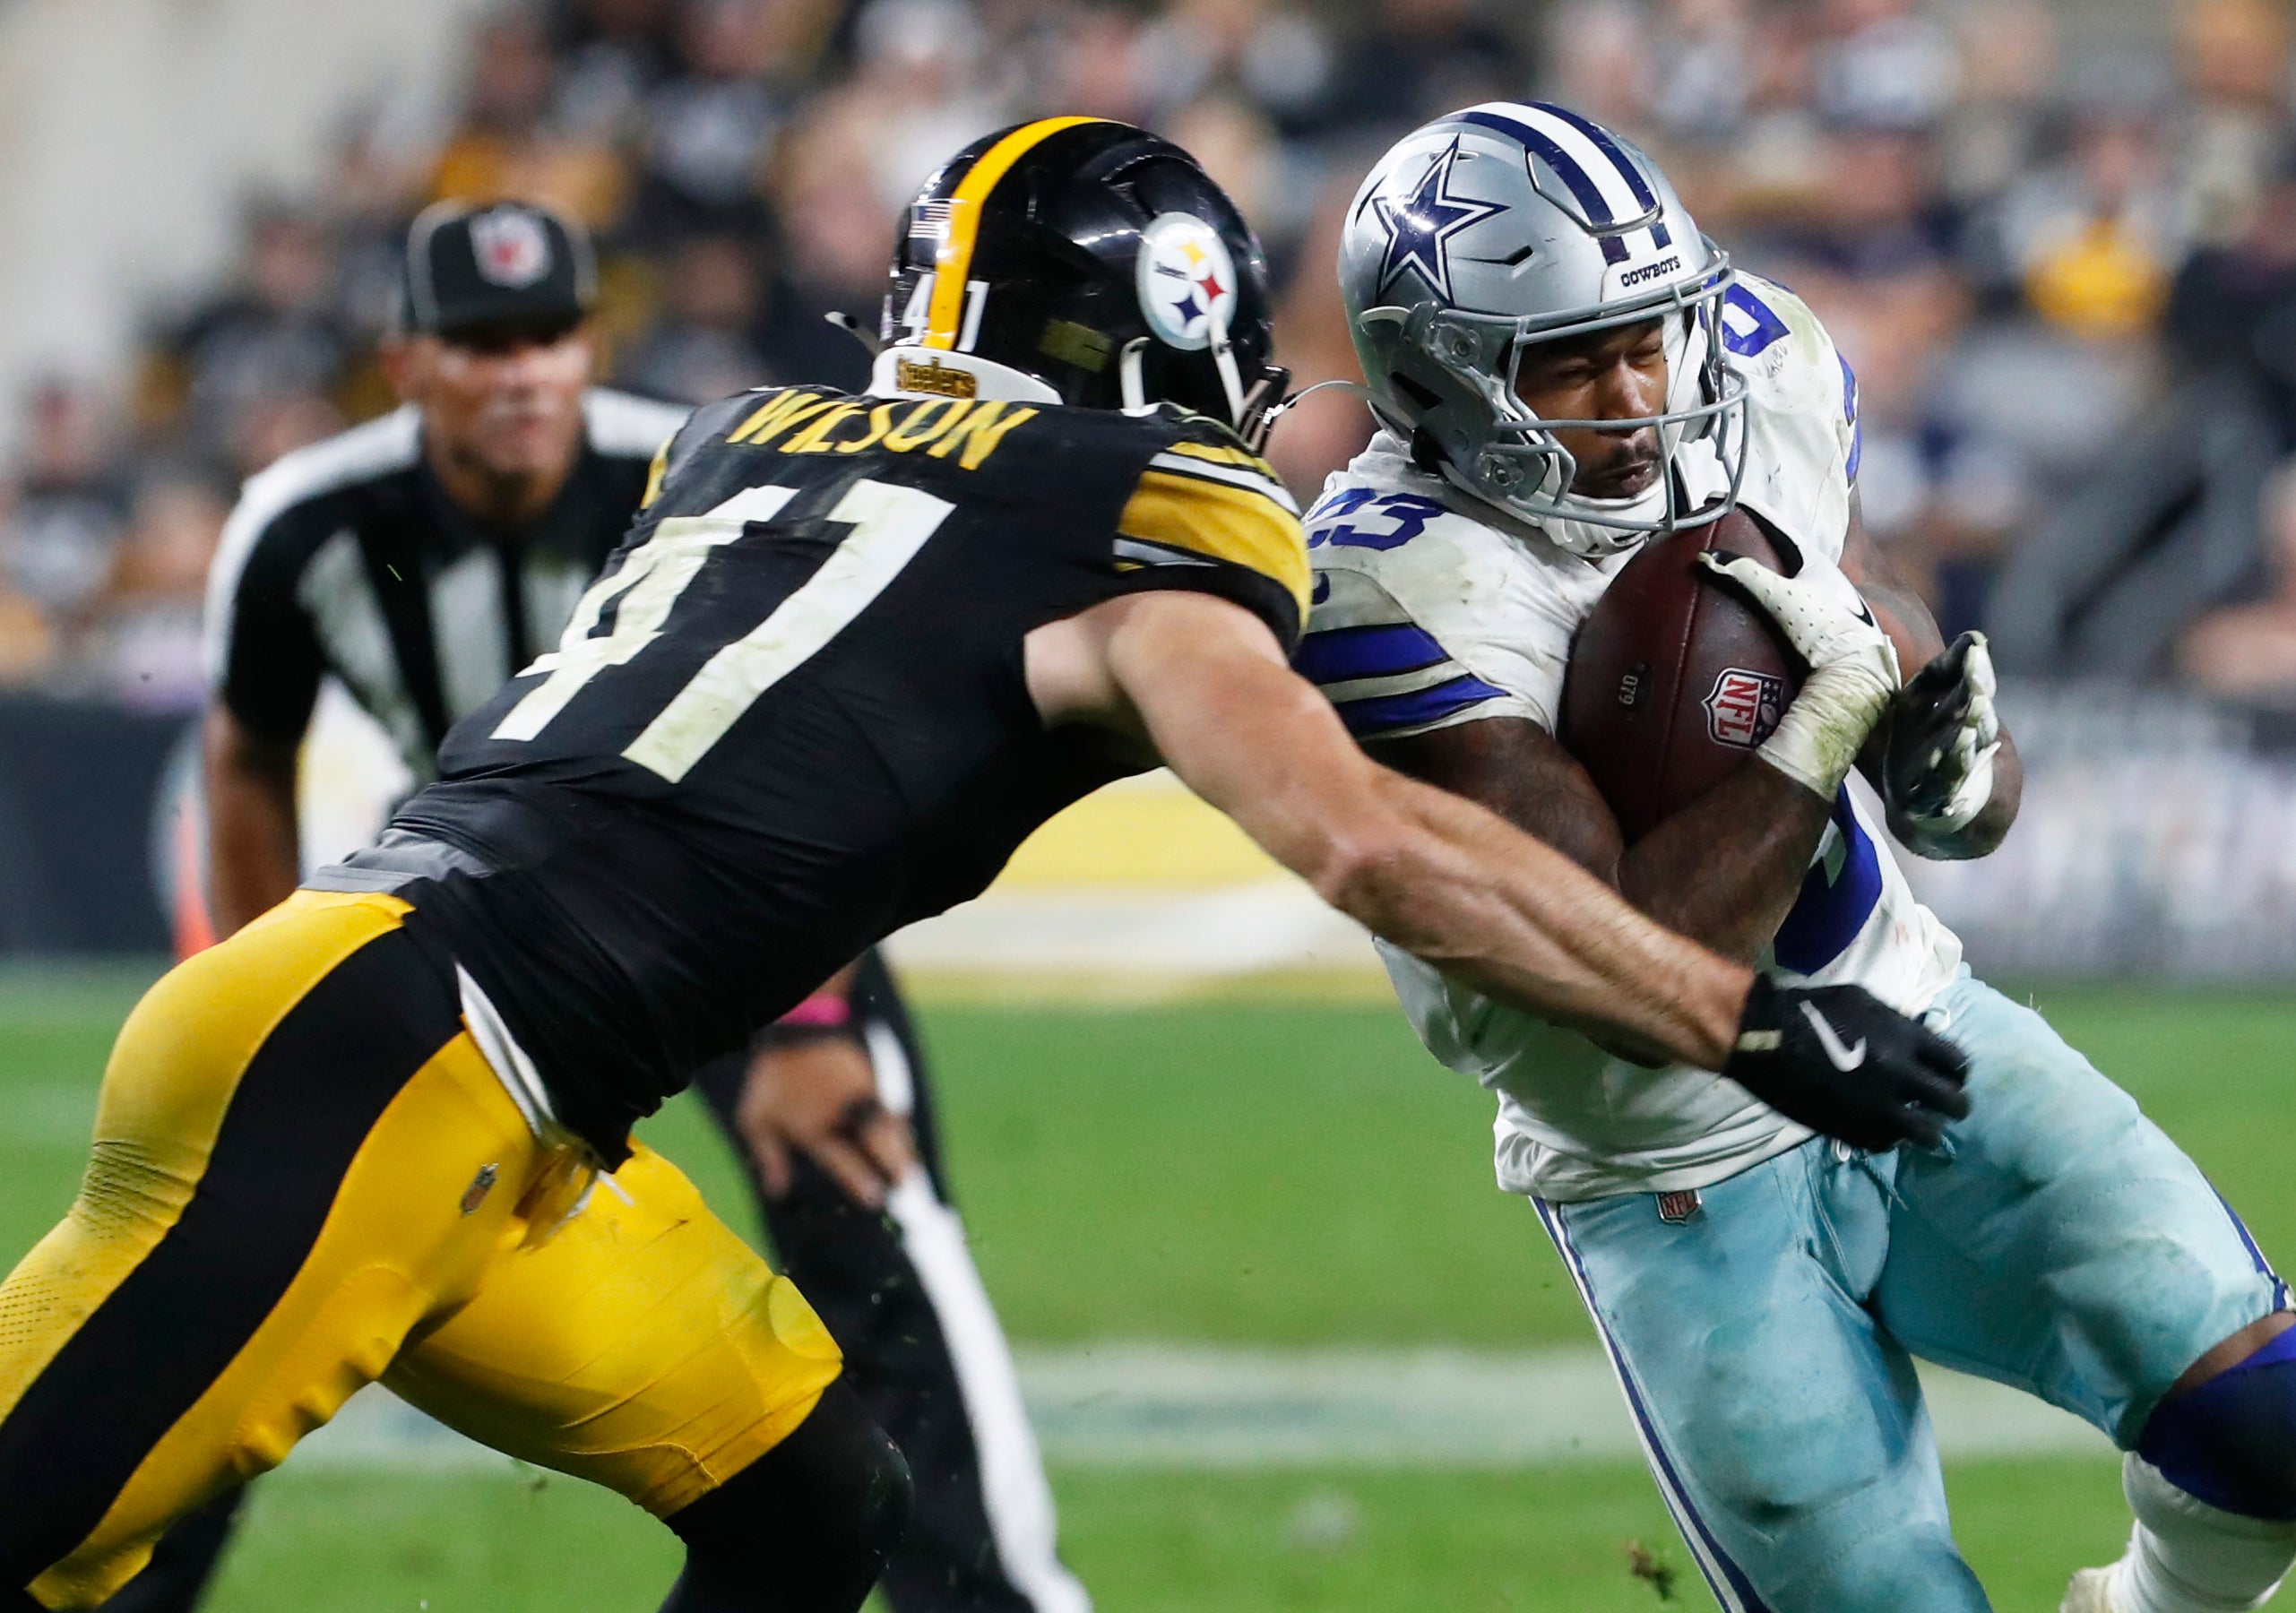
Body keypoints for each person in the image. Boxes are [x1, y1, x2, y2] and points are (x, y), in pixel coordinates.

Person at [0, 118, 1965, 1613]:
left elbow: (758, 755)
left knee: (813, 1505)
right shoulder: (1149, 534)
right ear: (1171, 338)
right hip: (396, 1069)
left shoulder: (740, 441)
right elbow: (1369, 843)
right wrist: (1735, 1015)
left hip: (464, 1082)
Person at [1302, 102, 2296, 1613]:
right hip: (1671, 1164)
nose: (1635, 397)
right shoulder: (1386, 584)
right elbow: (1633, 959)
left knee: (2266, 1417)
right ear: (1428, 373)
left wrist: (1945, 764)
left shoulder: (1754, 365)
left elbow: (1877, 617)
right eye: (1569, 362)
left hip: (1910, 1025)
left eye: (1645, 338)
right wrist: (1822, 722)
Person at [190, 198, 1080, 1613]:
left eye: (548, 335)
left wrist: (810, 1025)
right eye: (482, 343)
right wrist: (261, 996)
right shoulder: (307, 526)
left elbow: (836, 738)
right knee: (241, 1241)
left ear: (590, 345)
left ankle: (995, 1600)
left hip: (744, 905)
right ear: (406, 363)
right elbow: (247, 755)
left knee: (863, 1205)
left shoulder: (709, 469)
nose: (522, 374)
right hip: (476, 926)